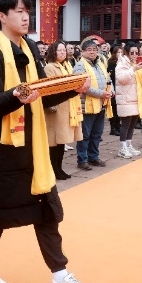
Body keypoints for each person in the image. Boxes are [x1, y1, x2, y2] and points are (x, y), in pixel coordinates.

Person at [0, 0, 96, 283]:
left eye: (28, 11)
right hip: (1, 152)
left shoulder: (29, 52)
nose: (26, 16)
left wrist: (72, 89)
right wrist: (16, 96)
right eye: (19, 11)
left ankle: (60, 277)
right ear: (2, 16)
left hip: (33, 149)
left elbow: (41, 94)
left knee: (46, 210)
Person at [42, 41, 83, 179]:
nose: (62, 52)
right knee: (54, 142)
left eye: (64, 50)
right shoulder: (49, 67)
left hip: (66, 107)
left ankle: (59, 168)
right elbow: (49, 88)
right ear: (53, 52)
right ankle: (53, 170)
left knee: (62, 141)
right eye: (59, 50)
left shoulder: (66, 65)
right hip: (56, 109)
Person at [73, 39, 114, 170]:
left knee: (97, 133)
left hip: (101, 103)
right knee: (85, 134)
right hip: (86, 105)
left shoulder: (99, 63)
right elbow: (83, 86)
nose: (92, 52)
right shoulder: (80, 66)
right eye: (89, 50)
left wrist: (111, 91)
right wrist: (101, 93)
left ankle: (93, 157)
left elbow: (108, 79)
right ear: (82, 52)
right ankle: (82, 159)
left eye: (94, 50)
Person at [114, 43, 142, 159]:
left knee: (132, 124)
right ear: (126, 52)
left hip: (138, 97)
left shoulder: (140, 62)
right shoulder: (121, 63)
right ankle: (122, 147)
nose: (135, 55)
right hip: (126, 97)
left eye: (137, 52)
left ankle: (129, 145)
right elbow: (122, 79)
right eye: (132, 53)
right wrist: (133, 69)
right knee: (125, 124)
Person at [106, 45, 121, 137]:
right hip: (113, 88)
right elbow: (111, 77)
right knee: (114, 109)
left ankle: (118, 126)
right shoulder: (111, 63)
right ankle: (113, 128)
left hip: (120, 88)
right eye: (118, 52)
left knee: (119, 109)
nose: (120, 54)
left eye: (121, 52)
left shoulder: (122, 62)